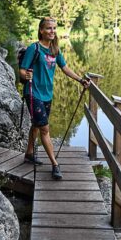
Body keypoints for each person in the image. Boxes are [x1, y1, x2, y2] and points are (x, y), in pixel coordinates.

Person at [20, 17, 89, 180]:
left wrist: (80, 80)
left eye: (54, 28)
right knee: (44, 128)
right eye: (49, 28)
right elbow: (22, 71)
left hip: (47, 95)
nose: (52, 31)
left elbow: (65, 68)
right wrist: (26, 74)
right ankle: (55, 164)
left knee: (37, 126)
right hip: (33, 93)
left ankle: (29, 153)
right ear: (41, 31)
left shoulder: (55, 49)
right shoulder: (34, 48)